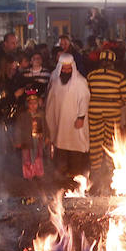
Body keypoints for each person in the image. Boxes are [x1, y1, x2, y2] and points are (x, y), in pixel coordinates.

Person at [87, 49, 126, 180]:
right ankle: (111, 170)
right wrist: (118, 103)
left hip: (94, 111)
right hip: (113, 112)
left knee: (95, 141)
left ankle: (95, 170)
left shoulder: (91, 76)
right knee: (111, 140)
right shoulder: (118, 77)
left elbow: (86, 93)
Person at [45, 54, 90, 183]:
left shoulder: (80, 82)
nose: (65, 71)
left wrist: (81, 117)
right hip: (60, 124)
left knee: (75, 153)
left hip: (75, 124)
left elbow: (84, 100)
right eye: (63, 69)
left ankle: (75, 183)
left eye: (68, 69)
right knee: (60, 151)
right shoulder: (54, 79)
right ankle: (61, 184)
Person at [14, 92, 48, 181]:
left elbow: (45, 126)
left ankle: (38, 173)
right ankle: (28, 174)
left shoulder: (41, 114)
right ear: (27, 104)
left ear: (38, 103)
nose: (33, 106)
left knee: (38, 156)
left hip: (38, 139)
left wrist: (47, 137)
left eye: (35, 103)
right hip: (26, 140)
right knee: (27, 158)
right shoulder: (23, 115)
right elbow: (18, 129)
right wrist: (18, 141)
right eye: (31, 103)